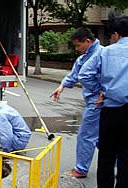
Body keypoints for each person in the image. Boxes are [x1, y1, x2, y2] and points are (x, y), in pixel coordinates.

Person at [79, 16, 128, 188]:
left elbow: (84, 75)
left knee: (107, 154)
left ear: (116, 35)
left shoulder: (105, 52)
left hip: (110, 109)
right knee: (127, 157)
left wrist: (99, 90)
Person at [50, 27, 102, 178]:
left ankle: (81, 169)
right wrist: (61, 86)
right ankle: (119, 165)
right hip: (97, 101)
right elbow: (73, 76)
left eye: (78, 45)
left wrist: (102, 92)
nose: (77, 49)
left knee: (86, 135)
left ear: (87, 41)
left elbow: (108, 76)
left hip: (98, 102)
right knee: (100, 136)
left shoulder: (103, 53)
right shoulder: (83, 58)